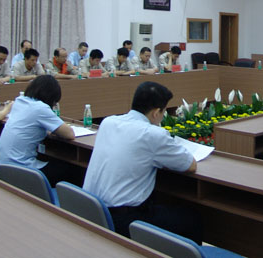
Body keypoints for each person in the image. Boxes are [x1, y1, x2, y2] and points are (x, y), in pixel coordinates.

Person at [83, 81, 201, 242]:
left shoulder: (108, 122)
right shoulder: (152, 134)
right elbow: (190, 165)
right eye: (164, 111)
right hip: (122, 220)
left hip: (91, 210)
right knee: (192, 219)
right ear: (156, 112)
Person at [0, 75, 75, 185]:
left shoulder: (19, 101)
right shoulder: (40, 108)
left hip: (2, 167)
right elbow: (70, 134)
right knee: (71, 169)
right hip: (20, 170)